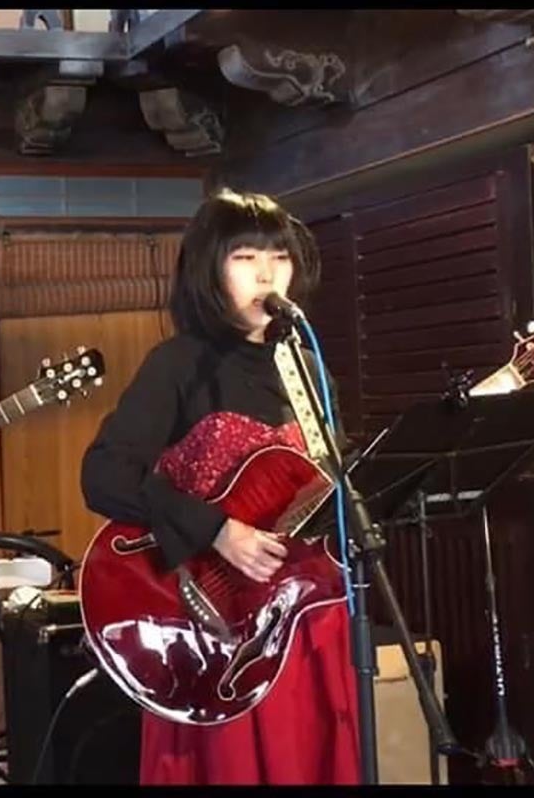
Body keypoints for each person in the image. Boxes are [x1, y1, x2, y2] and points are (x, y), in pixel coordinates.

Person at [79, 188, 360, 785]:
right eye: (245, 258)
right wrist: (217, 530)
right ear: (210, 269)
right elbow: (103, 475)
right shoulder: (179, 363)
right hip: (217, 628)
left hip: (302, 617)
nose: (266, 274)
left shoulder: (305, 366)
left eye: (279, 258)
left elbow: (328, 486)